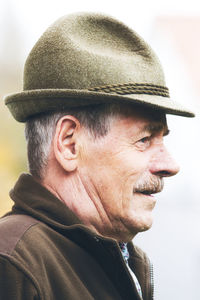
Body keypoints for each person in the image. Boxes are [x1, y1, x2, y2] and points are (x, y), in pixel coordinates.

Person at [0, 12, 194, 300]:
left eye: (162, 139)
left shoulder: (114, 261)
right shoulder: (14, 267)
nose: (170, 165)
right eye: (144, 139)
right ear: (69, 144)